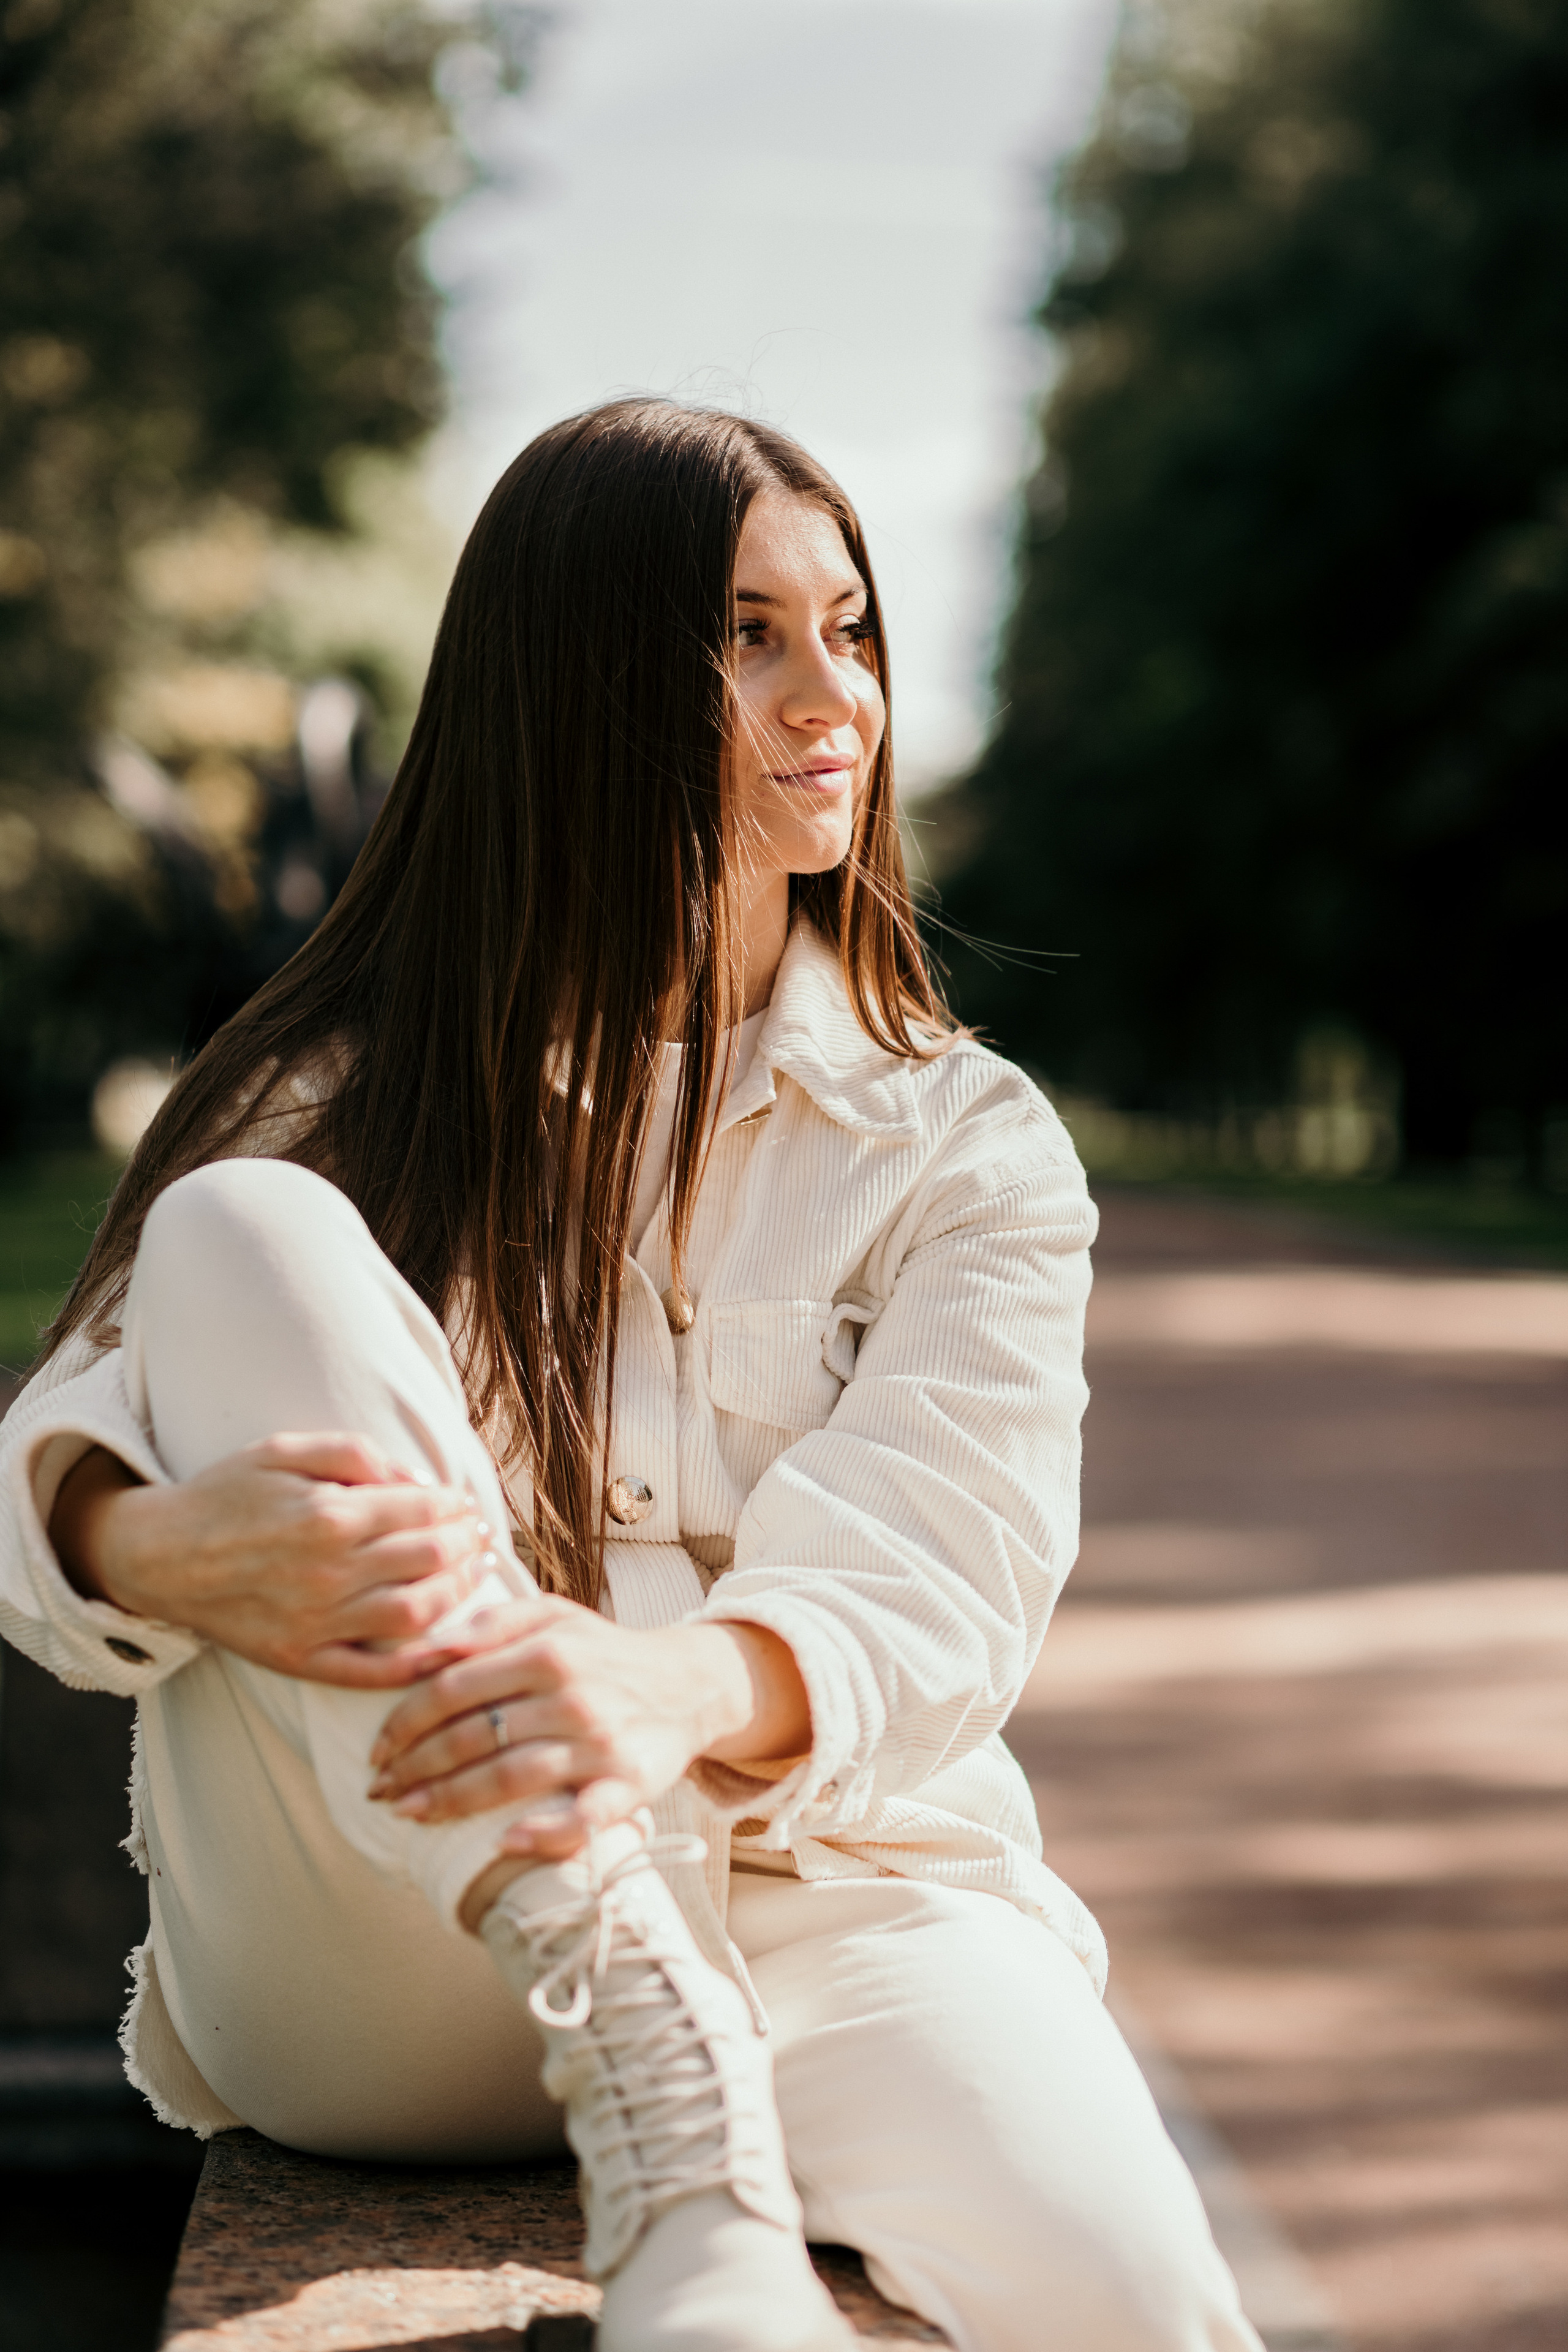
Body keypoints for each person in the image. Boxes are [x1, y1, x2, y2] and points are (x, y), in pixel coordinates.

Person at [0, 402, 1261, 2352]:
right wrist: (168, 1552)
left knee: (1143, 2294)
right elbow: (27, 1503)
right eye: (749, 634)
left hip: (825, 1901)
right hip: (398, 1941)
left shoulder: (969, 1145)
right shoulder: (324, 1095)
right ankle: (676, 2140)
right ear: (579, 680)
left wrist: (662, 1685)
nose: (831, 692)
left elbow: (941, 1584)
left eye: (850, 627)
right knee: (237, 1232)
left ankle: (693, 2109)